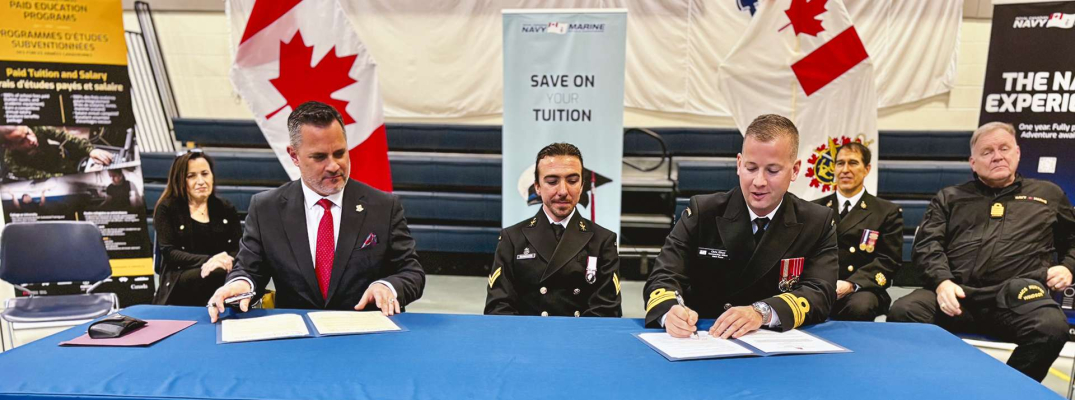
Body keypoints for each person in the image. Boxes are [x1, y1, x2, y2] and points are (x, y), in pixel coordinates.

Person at [888, 121, 1075, 382]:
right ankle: (932, 382)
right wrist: (942, 282)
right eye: (987, 152)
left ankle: (1005, 391)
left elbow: (1072, 240)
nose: (997, 156)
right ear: (973, 163)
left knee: (1051, 328)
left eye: (1004, 148)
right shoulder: (950, 197)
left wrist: (1068, 266)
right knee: (903, 311)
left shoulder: (1049, 194)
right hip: (957, 296)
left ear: (1017, 153)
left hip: (1017, 299)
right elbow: (927, 245)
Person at [208, 101, 425, 322]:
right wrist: (240, 284)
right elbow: (249, 269)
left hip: (365, 333)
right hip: (297, 335)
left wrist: (387, 286)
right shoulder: (266, 209)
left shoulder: (384, 206)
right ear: (294, 156)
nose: (334, 166)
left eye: (340, 153)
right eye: (320, 157)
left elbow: (412, 272)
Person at [644, 114, 837, 338]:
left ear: (795, 170)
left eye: (772, 170)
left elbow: (820, 292)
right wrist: (671, 313)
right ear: (738, 164)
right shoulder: (703, 212)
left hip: (777, 342)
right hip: (706, 337)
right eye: (751, 168)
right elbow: (664, 275)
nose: (759, 182)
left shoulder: (816, 221)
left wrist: (762, 312)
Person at [485, 143, 621, 317]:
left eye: (572, 181)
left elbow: (606, 311)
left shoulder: (603, 240)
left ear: (582, 186)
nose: (563, 191)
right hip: (527, 333)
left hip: (581, 333)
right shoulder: (512, 239)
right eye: (552, 181)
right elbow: (498, 308)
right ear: (537, 187)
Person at [812, 142, 902, 320]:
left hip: (862, 288)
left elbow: (888, 260)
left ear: (867, 169)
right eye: (840, 163)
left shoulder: (886, 211)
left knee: (860, 306)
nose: (845, 170)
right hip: (822, 285)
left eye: (853, 163)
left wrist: (851, 284)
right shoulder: (815, 208)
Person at [152, 151, 243, 306]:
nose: (201, 181)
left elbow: (238, 248)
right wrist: (209, 260)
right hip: (180, 275)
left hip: (221, 271)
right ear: (180, 180)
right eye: (191, 176)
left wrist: (227, 260)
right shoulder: (167, 208)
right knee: (214, 273)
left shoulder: (226, 208)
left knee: (228, 275)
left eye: (205, 174)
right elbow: (170, 253)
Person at [0, 125, 113, 179]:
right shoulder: (13, 163)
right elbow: (45, 177)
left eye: (28, 133)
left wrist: (91, 150)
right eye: (22, 141)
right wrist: (80, 175)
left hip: (62, 157)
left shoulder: (34, 127)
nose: (32, 140)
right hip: (57, 176)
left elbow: (64, 136)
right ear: (10, 146)